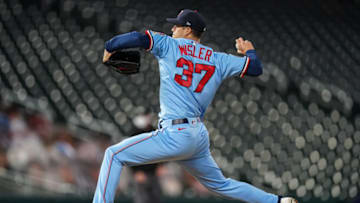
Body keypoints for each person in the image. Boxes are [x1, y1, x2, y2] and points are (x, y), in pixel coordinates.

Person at [93, 9, 298, 203]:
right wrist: (250, 51)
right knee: (222, 184)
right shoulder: (218, 59)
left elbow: (136, 38)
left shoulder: (168, 45)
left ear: (188, 30)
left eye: (177, 26)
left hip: (174, 133)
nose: (172, 29)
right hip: (197, 136)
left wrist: (110, 47)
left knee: (113, 154)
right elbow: (255, 68)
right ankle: (278, 201)